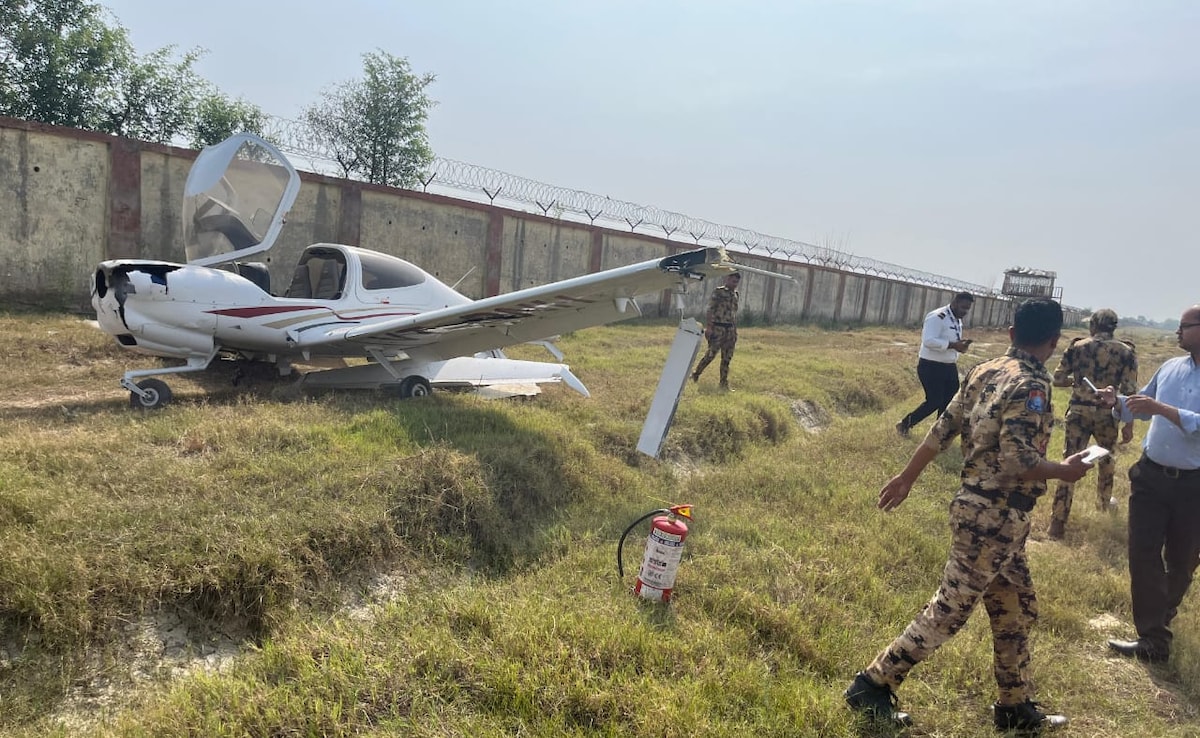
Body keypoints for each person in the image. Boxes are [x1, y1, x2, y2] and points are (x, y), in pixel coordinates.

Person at [845, 298, 1090, 732]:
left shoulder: (984, 371)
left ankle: (1014, 706)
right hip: (994, 518)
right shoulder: (1033, 385)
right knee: (949, 610)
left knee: (1016, 609)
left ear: (1012, 334)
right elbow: (1019, 461)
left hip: (985, 513)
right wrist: (1065, 471)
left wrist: (906, 478)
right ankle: (872, 684)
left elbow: (941, 431)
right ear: (1053, 342)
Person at [1099, 305, 1200, 665]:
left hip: (1193, 486)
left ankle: (1161, 617)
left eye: (1185, 326)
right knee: (1142, 554)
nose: (1178, 331)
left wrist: (1162, 409)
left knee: (1183, 562)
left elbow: (1162, 410)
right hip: (1151, 476)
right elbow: (1141, 407)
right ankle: (1153, 638)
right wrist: (1118, 404)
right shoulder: (1170, 368)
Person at [1047, 308, 1139, 539]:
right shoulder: (1126, 351)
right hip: (1107, 415)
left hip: (1078, 412)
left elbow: (1057, 379)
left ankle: (1057, 522)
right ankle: (1103, 504)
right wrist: (1128, 424)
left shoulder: (1077, 347)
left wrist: (1076, 383)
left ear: (1094, 326)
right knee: (1106, 459)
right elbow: (1129, 392)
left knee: (1070, 460)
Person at [895, 292, 975, 436]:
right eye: (963, 307)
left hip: (949, 367)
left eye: (967, 309)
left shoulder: (956, 319)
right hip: (931, 366)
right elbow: (928, 341)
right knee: (935, 401)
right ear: (955, 302)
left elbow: (951, 340)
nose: (965, 311)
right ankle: (905, 424)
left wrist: (960, 346)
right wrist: (952, 345)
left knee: (950, 401)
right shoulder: (937, 317)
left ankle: (939, 434)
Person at [691, 272, 741, 390]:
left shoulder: (736, 295)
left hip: (730, 330)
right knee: (710, 355)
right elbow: (710, 310)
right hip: (718, 328)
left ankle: (723, 383)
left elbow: (733, 314)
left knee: (727, 358)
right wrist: (709, 327)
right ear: (727, 279)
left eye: (737, 282)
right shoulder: (718, 292)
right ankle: (695, 374)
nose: (735, 284)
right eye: (733, 281)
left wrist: (734, 331)